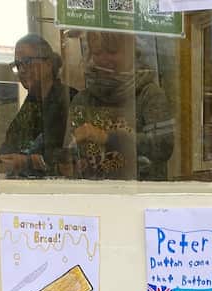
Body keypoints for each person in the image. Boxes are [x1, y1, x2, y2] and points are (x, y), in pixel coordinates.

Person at [68, 32, 173, 181]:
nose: (104, 59)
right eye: (97, 52)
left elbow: (163, 146)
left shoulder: (149, 95)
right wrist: (74, 160)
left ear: (131, 52)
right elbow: (67, 153)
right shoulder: (82, 100)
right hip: (92, 197)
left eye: (112, 52)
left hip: (141, 197)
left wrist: (107, 138)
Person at [0, 33, 72, 179]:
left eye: (27, 61)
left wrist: (27, 162)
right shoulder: (31, 103)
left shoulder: (68, 99)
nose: (22, 70)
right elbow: (8, 146)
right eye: (18, 65)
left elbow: (68, 157)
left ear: (49, 63)